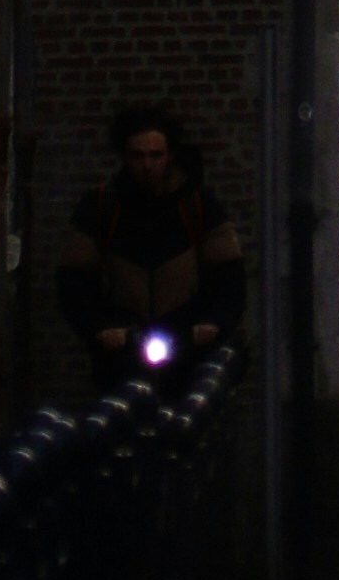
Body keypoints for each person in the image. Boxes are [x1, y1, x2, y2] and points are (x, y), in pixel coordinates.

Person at [58, 106, 244, 391]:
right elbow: (74, 281)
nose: (147, 166)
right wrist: (98, 327)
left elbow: (230, 276)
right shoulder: (101, 208)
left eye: (156, 156)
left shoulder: (197, 206)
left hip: (186, 346)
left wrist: (214, 322)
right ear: (124, 156)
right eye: (138, 156)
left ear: (170, 156)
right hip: (122, 350)